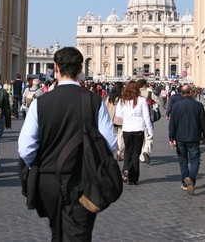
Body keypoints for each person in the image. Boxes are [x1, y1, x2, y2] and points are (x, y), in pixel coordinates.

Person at [18, 47, 117, 240]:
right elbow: (110, 144)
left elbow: (25, 147)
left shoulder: (40, 102)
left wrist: (40, 166)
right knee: (79, 234)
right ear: (81, 68)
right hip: (84, 180)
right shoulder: (94, 101)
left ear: (55, 67)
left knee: (57, 232)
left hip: (48, 181)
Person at [168, 84, 205, 196]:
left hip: (179, 137)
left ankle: (185, 182)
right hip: (194, 137)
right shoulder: (198, 105)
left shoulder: (176, 106)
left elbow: (172, 123)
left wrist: (171, 137)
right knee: (195, 160)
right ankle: (191, 179)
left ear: (182, 93)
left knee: (183, 160)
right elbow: (203, 123)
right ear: (191, 92)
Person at [116, 81, 154, 185]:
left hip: (127, 129)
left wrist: (127, 117)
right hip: (138, 129)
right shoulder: (141, 100)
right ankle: (133, 178)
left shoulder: (122, 100)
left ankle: (125, 170)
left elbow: (118, 114)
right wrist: (150, 130)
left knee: (128, 151)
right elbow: (146, 116)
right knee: (136, 153)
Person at [106, 81, 125, 161]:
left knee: (112, 136)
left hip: (111, 118)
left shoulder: (110, 97)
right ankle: (119, 154)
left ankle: (111, 152)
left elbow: (105, 107)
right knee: (121, 137)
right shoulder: (123, 97)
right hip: (120, 119)